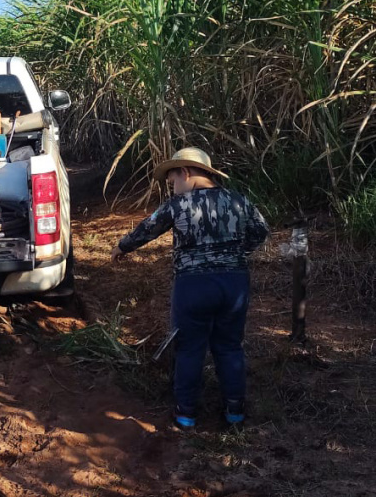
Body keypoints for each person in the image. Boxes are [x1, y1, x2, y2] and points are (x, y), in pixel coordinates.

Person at [110, 147, 269, 430]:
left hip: (193, 285)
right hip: (234, 284)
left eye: (173, 180)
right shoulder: (238, 200)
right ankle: (235, 413)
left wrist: (121, 248)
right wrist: (235, 254)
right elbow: (260, 231)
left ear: (186, 173)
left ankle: (186, 415)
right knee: (230, 346)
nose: (173, 187)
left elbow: (148, 228)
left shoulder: (179, 205)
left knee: (189, 349)